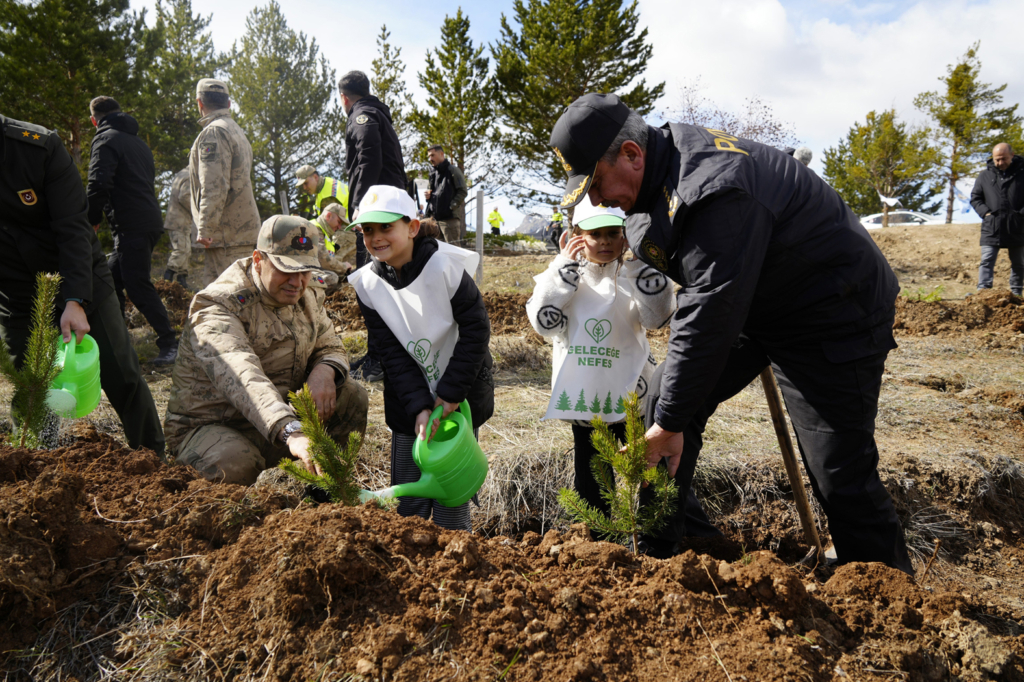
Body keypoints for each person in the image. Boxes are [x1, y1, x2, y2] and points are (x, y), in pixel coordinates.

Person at [549, 93, 913, 573]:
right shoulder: (659, 172)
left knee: (837, 467)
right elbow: (705, 296)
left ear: (632, 154)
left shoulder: (714, 189)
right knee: (664, 397)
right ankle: (660, 556)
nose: (596, 200)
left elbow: (710, 309)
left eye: (595, 183)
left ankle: (883, 587)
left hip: (832, 311)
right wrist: (671, 417)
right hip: (755, 302)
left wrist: (671, 421)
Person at [526, 198, 718, 549]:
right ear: (576, 235)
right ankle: (597, 544)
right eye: (594, 234)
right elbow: (543, 323)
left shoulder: (633, 273)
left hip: (634, 396)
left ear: (625, 235)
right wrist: (563, 269)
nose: (604, 241)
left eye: (613, 233)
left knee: (653, 472)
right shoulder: (566, 275)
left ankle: (675, 536)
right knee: (592, 478)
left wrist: (640, 265)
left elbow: (657, 317)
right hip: (586, 403)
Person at [1, 113, 165, 453]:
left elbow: (73, 227)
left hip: (79, 277)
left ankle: (154, 460)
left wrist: (75, 300)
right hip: (15, 295)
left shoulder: (39, 148)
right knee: (31, 391)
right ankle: (35, 466)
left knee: (122, 375)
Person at [163, 215, 369, 485]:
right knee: (234, 464)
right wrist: (291, 431)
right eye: (287, 270)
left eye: (305, 271)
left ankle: (321, 485)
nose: (297, 282)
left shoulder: (306, 293)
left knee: (352, 395)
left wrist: (325, 370)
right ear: (258, 260)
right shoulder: (218, 306)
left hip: (280, 422)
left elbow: (329, 343)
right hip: (216, 427)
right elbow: (242, 375)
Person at [349, 186, 493, 531]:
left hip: (461, 392)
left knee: (450, 489)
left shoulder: (443, 267)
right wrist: (418, 407)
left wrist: (451, 394)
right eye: (368, 230)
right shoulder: (368, 285)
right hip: (407, 399)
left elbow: (476, 330)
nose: (376, 237)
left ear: (412, 227)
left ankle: (455, 546)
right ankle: (409, 548)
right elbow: (391, 352)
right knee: (408, 498)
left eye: (386, 227)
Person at [86, 96, 177, 365]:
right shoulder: (138, 143)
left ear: (94, 120)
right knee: (110, 279)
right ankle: (119, 341)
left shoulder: (105, 140)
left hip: (131, 225)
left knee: (136, 284)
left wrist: (91, 219)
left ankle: (170, 344)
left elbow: (98, 182)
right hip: (147, 220)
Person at [189, 78, 261, 288]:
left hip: (226, 236)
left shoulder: (214, 132)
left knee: (232, 297)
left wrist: (206, 227)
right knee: (218, 297)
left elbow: (214, 184)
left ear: (200, 103)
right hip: (235, 234)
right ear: (228, 104)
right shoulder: (235, 130)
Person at [338, 70, 406, 267]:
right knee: (391, 265)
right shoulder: (378, 114)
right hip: (391, 203)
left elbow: (369, 158)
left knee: (372, 270)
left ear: (344, 98)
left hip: (376, 207)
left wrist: (360, 203)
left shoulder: (362, 115)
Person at [970, 142, 1024, 296]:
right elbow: (975, 198)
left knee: (1019, 263)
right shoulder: (984, 176)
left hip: (1017, 226)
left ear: (1012, 155)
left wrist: (1021, 215)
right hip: (992, 226)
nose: (1000, 162)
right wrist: (986, 213)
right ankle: (983, 292)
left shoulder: (1022, 174)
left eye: (1003, 159)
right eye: (997, 159)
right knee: (987, 260)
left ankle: (1017, 293)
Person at [424, 145, 468, 244]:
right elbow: (431, 191)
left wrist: (451, 207)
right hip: (434, 220)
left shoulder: (453, 170)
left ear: (441, 154)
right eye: (429, 156)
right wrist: (428, 196)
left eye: (433, 155)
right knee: (437, 250)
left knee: (452, 250)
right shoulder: (432, 173)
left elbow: (463, 191)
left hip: (449, 219)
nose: (430, 159)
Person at [162, 167, 196, 289]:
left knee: (185, 250)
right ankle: (166, 280)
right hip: (180, 221)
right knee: (181, 250)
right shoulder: (189, 176)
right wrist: (198, 211)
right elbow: (185, 197)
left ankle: (182, 282)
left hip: (178, 220)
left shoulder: (181, 174)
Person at [311, 202, 357, 291]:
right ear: (328, 216)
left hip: (313, 272)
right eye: (339, 222)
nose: (339, 227)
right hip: (302, 273)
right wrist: (344, 267)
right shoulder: (314, 229)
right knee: (331, 278)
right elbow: (323, 260)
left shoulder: (326, 235)